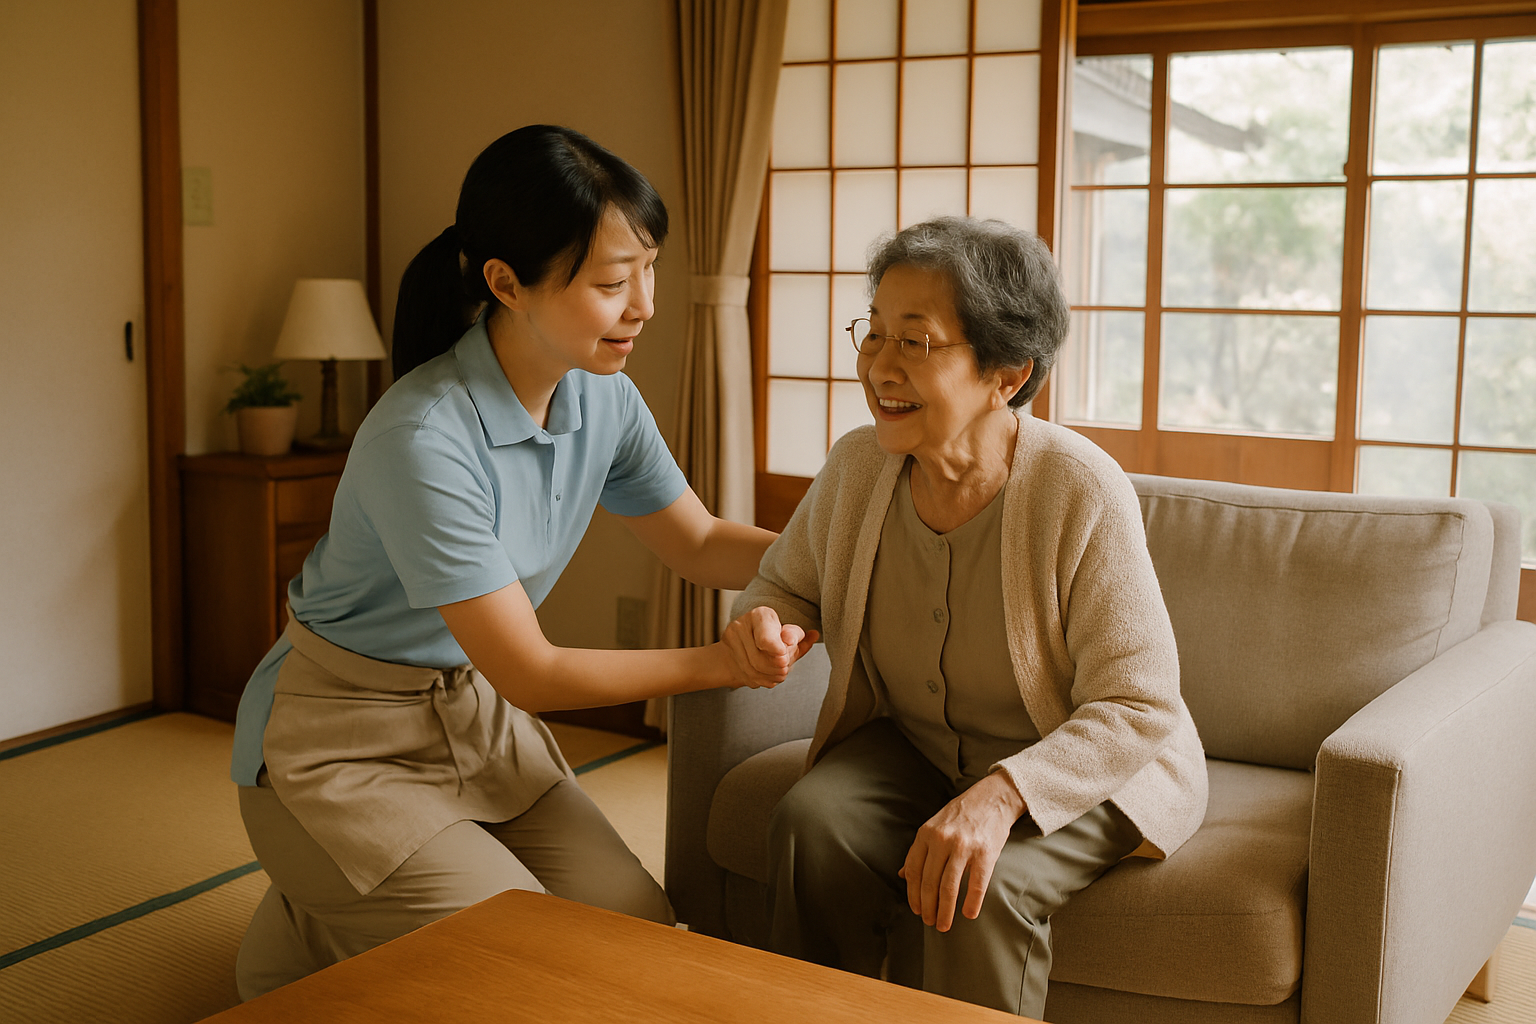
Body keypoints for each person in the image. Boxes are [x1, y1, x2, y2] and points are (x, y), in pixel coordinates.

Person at [229, 124, 816, 999]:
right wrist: (721, 665)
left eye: (648, 269)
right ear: (505, 283)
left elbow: (696, 540)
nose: (644, 305)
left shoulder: (603, 396)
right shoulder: (423, 436)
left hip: (473, 719)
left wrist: (837, 558)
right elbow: (532, 671)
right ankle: (322, 896)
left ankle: (341, 903)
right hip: (339, 741)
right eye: (614, 283)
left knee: (640, 939)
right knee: (527, 964)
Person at [734, 217, 1208, 1018]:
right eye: (873, 333)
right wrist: (766, 623)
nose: (879, 366)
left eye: (915, 342)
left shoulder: (1078, 488)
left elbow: (1141, 705)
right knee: (810, 823)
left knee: (974, 888)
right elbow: (782, 584)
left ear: (1008, 372)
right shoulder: (860, 466)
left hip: (1080, 767)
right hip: (915, 746)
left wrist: (1001, 795)